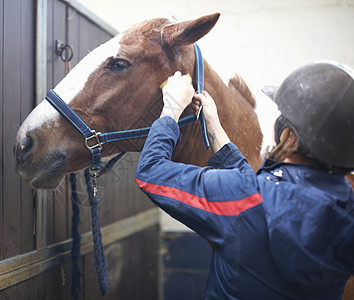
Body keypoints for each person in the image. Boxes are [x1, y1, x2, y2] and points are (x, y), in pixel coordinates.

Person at [135, 62, 354, 299]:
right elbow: (263, 198)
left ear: (289, 136)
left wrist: (172, 108)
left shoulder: (246, 198)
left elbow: (151, 172)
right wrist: (215, 128)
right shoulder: (345, 204)